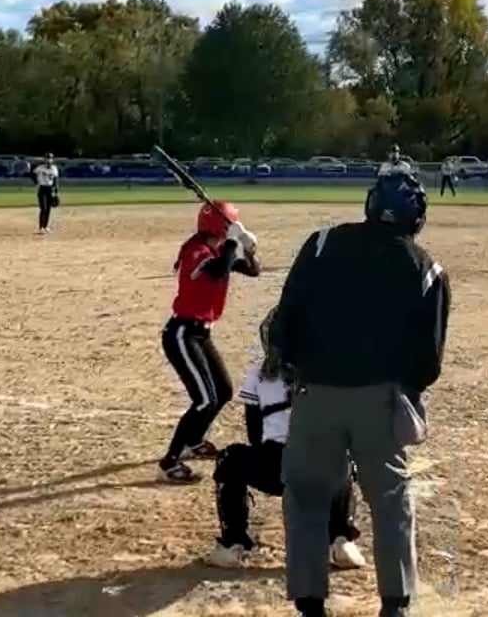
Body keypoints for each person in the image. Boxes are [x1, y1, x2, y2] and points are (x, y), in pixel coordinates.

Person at [269, 169, 452, 617]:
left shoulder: (322, 244)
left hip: (315, 393)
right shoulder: (426, 267)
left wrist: (296, 366)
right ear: (417, 217)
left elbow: (283, 319)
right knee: (390, 500)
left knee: (307, 497)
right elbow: (428, 362)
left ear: (370, 205)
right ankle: (394, 604)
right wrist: (403, 388)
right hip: (380, 398)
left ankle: (310, 605)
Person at [205, 308, 366, 573]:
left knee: (229, 459)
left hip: (278, 468)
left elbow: (255, 435)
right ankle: (341, 539)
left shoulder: (258, 374)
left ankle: (232, 544)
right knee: (342, 454)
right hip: (321, 469)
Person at [160, 200, 261, 484]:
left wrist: (249, 249)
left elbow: (253, 270)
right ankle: (169, 463)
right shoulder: (196, 251)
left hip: (201, 334)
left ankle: (194, 441)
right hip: (182, 334)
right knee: (205, 400)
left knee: (223, 391)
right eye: (230, 224)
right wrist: (232, 242)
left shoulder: (216, 250)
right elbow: (218, 269)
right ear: (221, 227)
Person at [32, 153, 59, 234]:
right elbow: (33, 174)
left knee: (48, 209)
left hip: (50, 189)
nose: (48, 160)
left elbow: (55, 180)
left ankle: (46, 226)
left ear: (52, 159)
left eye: (50, 158)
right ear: (44, 159)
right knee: (43, 208)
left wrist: (56, 192)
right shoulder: (40, 168)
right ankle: (41, 228)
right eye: (47, 158)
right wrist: (36, 183)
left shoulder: (54, 168)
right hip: (42, 188)